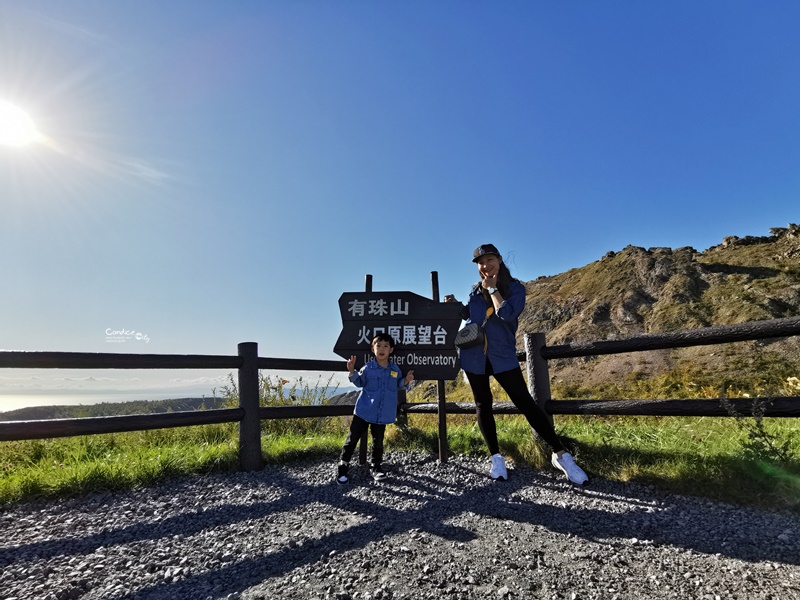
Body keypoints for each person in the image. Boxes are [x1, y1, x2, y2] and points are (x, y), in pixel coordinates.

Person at [444, 243, 589, 486]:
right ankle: (496, 458)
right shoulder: (474, 290)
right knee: (483, 404)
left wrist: (492, 290)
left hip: (502, 356)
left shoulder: (515, 288)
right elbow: (473, 316)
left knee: (525, 403)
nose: (485, 266)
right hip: (474, 356)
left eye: (489, 260)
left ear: (499, 260)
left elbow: (508, 314)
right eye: (480, 262)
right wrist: (458, 306)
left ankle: (560, 454)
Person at [336, 333, 414, 484]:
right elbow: (359, 382)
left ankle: (376, 466)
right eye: (378, 346)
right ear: (373, 349)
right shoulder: (368, 368)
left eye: (386, 346)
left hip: (382, 413)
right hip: (364, 411)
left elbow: (399, 383)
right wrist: (352, 371)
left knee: (378, 441)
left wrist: (407, 380)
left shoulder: (395, 369)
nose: (382, 349)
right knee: (352, 439)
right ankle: (343, 464)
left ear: (391, 350)